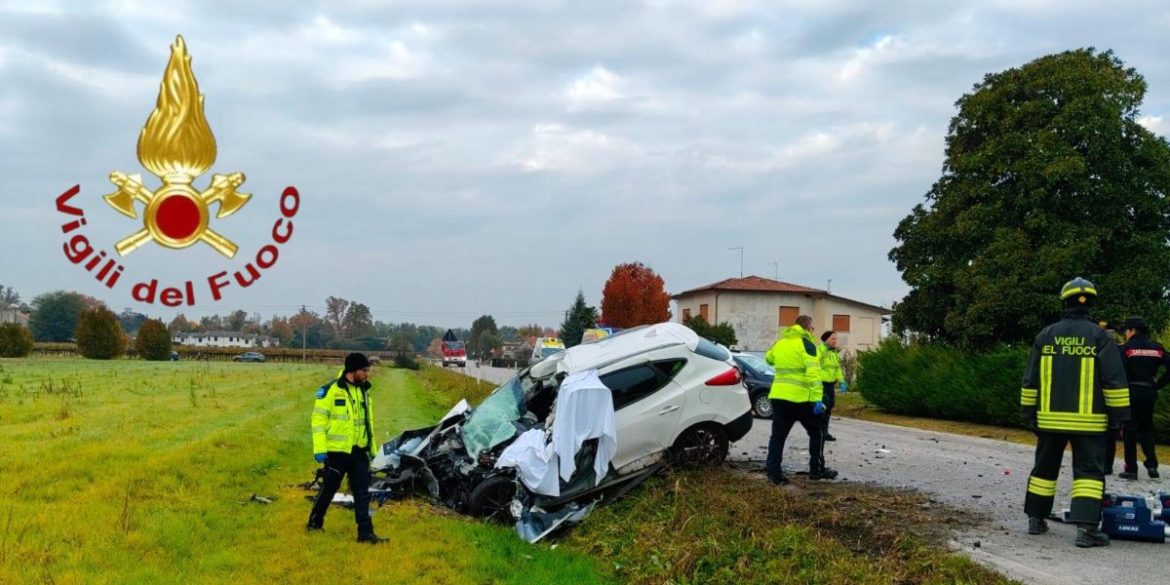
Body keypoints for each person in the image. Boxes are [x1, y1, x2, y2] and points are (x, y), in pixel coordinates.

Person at [1021, 277, 1130, 548]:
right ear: (1090, 303)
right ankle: (1086, 530)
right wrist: (1119, 419)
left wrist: (1029, 413)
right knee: (1089, 474)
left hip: (1049, 420)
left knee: (1044, 469)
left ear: (1064, 302)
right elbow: (1114, 380)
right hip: (1090, 423)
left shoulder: (1045, 336)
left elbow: (1030, 379)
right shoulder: (1100, 337)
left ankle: (1036, 519)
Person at [306, 352, 385, 544]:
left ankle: (365, 533)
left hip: (358, 451)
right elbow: (318, 420)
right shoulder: (330, 391)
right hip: (337, 451)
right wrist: (320, 448)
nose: (367, 374)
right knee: (329, 489)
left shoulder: (364, 392)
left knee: (362, 492)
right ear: (352, 370)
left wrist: (372, 449)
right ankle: (314, 524)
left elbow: (367, 423)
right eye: (364, 370)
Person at [764, 315, 838, 484]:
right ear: (808, 328)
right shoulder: (807, 344)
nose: (813, 331)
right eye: (812, 328)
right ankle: (816, 470)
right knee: (817, 433)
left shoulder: (781, 342)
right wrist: (818, 399)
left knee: (777, 437)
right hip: (801, 399)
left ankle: (774, 475)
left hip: (779, 396)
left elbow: (769, 358)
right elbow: (813, 374)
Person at [1117, 316, 1170, 480]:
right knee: (1146, 428)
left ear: (1132, 330)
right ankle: (1152, 465)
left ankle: (1131, 468)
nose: (1125, 333)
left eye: (1126, 330)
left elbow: (1120, 373)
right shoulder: (1157, 348)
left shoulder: (1125, 348)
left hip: (1131, 391)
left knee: (1129, 429)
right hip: (1149, 392)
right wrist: (1158, 384)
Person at [817, 330, 844, 442]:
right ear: (826, 339)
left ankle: (825, 432)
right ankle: (819, 432)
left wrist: (842, 381)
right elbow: (814, 367)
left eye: (835, 339)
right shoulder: (820, 351)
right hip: (822, 384)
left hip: (830, 384)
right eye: (832, 338)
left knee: (829, 407)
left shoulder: (833, 353)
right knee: (823, 407)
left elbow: (837, 368)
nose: (835, 341)